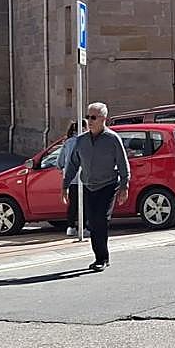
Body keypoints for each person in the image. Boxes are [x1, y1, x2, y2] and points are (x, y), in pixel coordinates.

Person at [62, 102, 130, 272]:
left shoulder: (113, 139)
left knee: (100, 219)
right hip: (88, 186)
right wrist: (64, 186)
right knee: (92, 222)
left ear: (103, 119)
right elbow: (72, 164)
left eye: (93, 117)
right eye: (88, 117)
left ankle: (102, 258)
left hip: (108, 185)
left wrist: (124, 185)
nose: (89, 121)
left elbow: (123, 163)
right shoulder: (81, 141)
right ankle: (98, 256)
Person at [57, 121, 88, 238]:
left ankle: (70, 227)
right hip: (85, 177)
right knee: (85, 203)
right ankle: (85, 227)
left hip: (71, 178)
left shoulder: (67, 143)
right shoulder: (86, 141)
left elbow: (59, 162)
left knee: (73, 203)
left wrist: (63, 168)